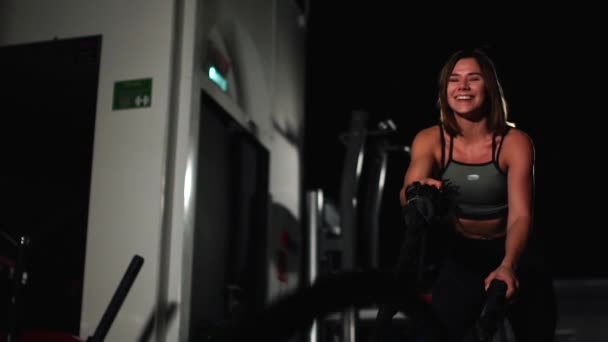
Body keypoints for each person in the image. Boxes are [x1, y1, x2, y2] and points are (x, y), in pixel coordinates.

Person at [396, 48, 556, 341]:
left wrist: (508, 265)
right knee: (435, 333)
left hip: (516, 251)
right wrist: (418, 196)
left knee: (537, 330)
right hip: (463, 255)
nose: (463, 87)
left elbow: (521, 215)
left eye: (473, 79)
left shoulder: (514, 142)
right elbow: (409, 190)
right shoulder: (430, 139)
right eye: (454, 80)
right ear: (445, 90)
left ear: (490, 88)